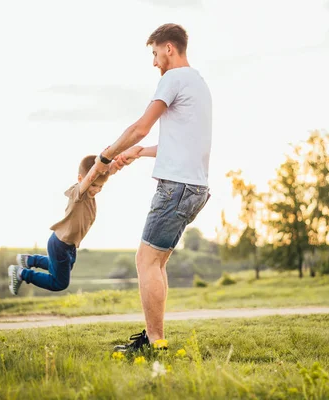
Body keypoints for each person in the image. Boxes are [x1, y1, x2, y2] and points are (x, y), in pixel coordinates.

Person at [92, 23, 213, 352]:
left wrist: (107, 155)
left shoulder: (172, 79)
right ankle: (154, 338)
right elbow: (181, 143)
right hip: (194, 189)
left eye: (155, 53)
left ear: (169, 48)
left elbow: (141, 127)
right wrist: (140, 152)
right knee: (156, 263)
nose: (154, 61)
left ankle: (154, 341)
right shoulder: (198, 84)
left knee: (145, 261)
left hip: (175, 188)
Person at [7, 155, 122, 295]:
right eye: (94, 185)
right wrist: (102, 160)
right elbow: (91, 177)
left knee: (60, 269)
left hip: (68, 245)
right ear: (81, 179)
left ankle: (29, 260)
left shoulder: (91, 195)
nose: (97, 190)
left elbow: (108, 172)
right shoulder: (79, 194)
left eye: (100, 186)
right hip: (60, 244)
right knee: (60, 282)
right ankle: (21, 273)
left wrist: (119, 161)